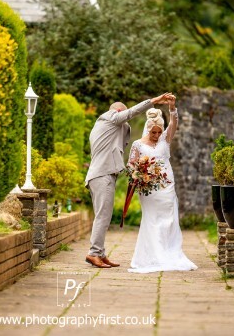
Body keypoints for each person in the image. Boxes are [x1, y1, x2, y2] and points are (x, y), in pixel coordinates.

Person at [85, 93, 174, 268]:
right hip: (102, 175)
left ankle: (100, 254)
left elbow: (122, 137)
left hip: (101, 175)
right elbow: (130, 113)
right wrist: (154, 101)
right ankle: (94, 253)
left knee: (103, 216)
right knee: (103, 216)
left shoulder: (104, 127)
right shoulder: (109, 117)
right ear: (118, 111)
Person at [127, 102, 198, 273]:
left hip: (167, 186)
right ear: (148, 129)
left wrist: (173, 108)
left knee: (169, 219)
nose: (157, 135)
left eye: (159, 131)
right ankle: (153, 255)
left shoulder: (165, 139)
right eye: (154, 132)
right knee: (151, 220)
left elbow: (174, 123)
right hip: (148, 189)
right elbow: (131, 164)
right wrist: (139, 174)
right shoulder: (138, 144)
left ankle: (169, 253)